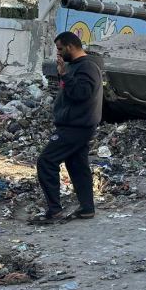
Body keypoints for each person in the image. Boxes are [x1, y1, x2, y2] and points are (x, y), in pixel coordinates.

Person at [32, 31, 103, 224]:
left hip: (76, 126)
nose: (58, 53)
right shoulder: (75, 66)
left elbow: (82, 94)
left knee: (46, 161)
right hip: (76, 124)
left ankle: (54, 211)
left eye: (60, 49)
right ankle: (87, 209)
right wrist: (63, 74)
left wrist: (65, 75)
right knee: (77, 165)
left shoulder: (87, 67)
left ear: (70, 47)